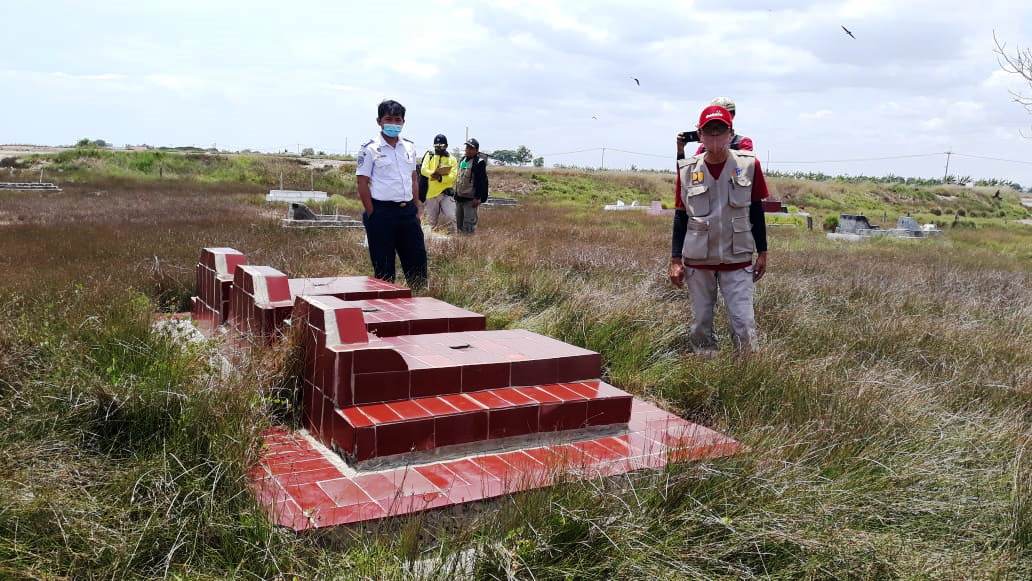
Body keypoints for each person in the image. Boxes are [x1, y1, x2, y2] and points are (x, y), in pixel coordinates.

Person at [669, 105, 769, 354]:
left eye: (720, 131)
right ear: (700, 135)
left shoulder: (749, 165)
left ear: (730, 133)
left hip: (737, 258)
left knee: (743, 323)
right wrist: (675, 259)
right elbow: (681, 215)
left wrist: (763, 251)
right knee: (701, 322)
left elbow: (756, 210)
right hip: (698, 259)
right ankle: (706, 367)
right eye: (709, 131)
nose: (715, 137)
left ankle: (746, 371)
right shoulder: (687, 169)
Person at [355, 99, 427, 288]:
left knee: (417, 264)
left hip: (408, 213)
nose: (393, 124)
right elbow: (362, 182)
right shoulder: (369, 148)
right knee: (384, 269)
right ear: (379, 121)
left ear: (403, 122)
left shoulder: (409, 147)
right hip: (381, 212)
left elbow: (413, 178)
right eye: (389, 119)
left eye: (398, 120)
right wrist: (372, 212)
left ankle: (419, 306)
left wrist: (417, 207)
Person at [677, 96, 754, 159]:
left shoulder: (743, 142)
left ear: (732, 116)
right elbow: (688, 173)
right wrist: (680, 151)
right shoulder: (703, 147)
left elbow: (743, 168)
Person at [420, 134, 458, 231]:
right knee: (430, 222)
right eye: (436, 146)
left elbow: (453, 176)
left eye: (441, 146)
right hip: (431, 194)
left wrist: (441, 178)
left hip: (446, 193)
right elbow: (423, 170)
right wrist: (433, 174)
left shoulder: (452, 159)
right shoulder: (430, 155)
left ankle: (453, 242)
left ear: (446, 146)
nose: (438, 148)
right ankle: (428, 243)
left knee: (451, 218)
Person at [453, 138, 489, 234]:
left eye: (471, 148)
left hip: (470, 200)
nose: (467, 150)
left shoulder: (479, 162)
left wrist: (477, 198)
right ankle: (460, 246)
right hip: (459, 198)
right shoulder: (462, 160)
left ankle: (468, 245)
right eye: (467, 147)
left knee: (468, 226)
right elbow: (459, 178)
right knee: (459, 226)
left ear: (476, 151)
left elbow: (481, 182)